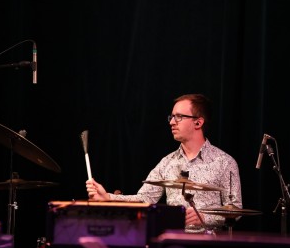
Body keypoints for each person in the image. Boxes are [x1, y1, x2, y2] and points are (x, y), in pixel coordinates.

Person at [86, 93, 242, 231]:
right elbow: (144, 199)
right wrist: (107, 197)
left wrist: (204, 217)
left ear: (198, 123)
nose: (172, 122)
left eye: (179, 117)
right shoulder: (167, 162)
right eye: (172, 117)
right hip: (173, 243)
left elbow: (235, 210)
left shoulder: (224, 162)